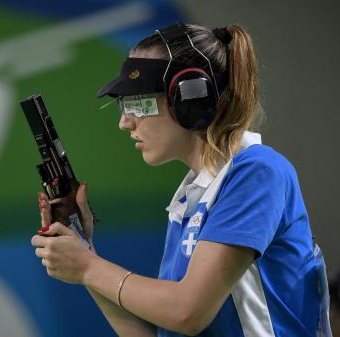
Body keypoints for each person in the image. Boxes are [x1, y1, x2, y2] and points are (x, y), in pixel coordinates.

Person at [31, 23, 332, 337]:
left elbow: (187, 312)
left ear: (189, 96)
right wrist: (85, 258)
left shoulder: (258, 171)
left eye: (136, 103)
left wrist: (89, 267)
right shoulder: (191, 200)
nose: (125, 122)